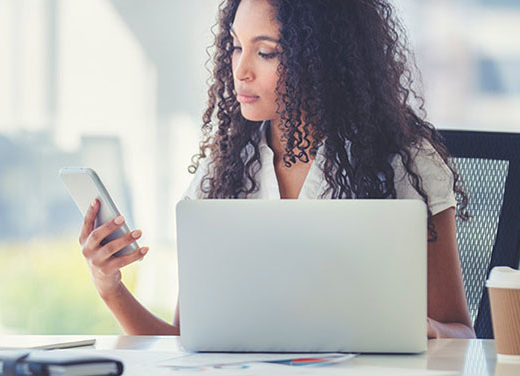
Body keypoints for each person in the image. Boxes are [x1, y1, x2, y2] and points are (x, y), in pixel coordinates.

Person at [76, 0, 476, 339]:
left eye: (266, 52)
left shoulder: (403, 162)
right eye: (235, 46)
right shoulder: (227, 167)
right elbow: (186, 344)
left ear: (320, 59)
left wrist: (421, 330)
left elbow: (461, 333)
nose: (241, 70)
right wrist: (110, 288)